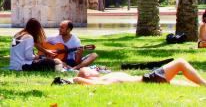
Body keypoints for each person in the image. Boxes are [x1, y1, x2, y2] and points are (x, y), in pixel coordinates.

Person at [73, 58, 206, 87]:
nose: (92, 69)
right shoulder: (102, 81)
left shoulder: (103, 77)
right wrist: (77, 79)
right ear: (88, 75)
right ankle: (204, 84)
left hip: (149, 78)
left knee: (182, 83)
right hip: (148, 79)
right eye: (89, 69)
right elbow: (80, 80)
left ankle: (200, 86)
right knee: (180, 63)